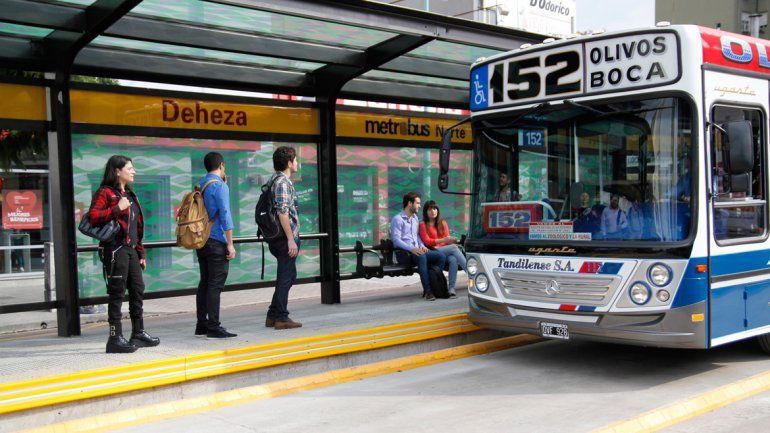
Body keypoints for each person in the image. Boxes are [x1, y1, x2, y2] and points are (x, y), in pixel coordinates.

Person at [88, 155, 159, 353]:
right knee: (117, 292)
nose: (133, 171)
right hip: (115, 249)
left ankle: (138, 332)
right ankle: (114, 337)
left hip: (131, 250)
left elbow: (136, 227)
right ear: (117, 171)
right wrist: (116, 209)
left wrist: (141, 252)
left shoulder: (129, 194)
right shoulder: (106, 193)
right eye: (130, 168)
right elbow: (93, 217)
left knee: (137, 289)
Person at [195, 152, 237, 339]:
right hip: (216, 240)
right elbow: (225, 215)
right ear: (222, 165)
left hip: (202, 240)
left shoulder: (200, 183)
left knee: (205, 282)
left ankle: (201, 325)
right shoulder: (219, 186)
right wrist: (230, 244)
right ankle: (214, 326)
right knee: (215, 285)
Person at [265, 146, 302, 330]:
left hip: (279, 237)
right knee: (286, 276)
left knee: (288, 275)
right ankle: (281, 317)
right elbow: (282, 212)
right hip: (283, 238)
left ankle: (273, 315)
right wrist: (290, 239)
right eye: (295, 160)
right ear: (289, 163)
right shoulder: (282, 183)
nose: (297, 163)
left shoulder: (274, 180)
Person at [391, 192, 446, 301]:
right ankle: (428, 291)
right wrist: (411, 249)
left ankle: (433, 283)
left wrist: (421, 245)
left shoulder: (415, 218)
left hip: (417, 251)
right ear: (410, 203)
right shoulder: (397, 219)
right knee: (422, 257)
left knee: (441, 257)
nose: (420, 206)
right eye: (418, 203)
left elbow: (417, 236)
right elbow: (396, 240)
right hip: (404, 254)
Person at [419, 200, 467, 298]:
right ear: (425, 211)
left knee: (453, 259)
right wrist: (443, 240)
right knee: (454, 248)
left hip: (443, 250)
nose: (433, 211)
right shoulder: (422, 224)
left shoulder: (442, 222)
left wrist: (451, 240)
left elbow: (446, 239)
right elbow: (427, 241)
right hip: (431, 251)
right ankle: (471, 273)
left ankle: (451, 289)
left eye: (434, 208)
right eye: (430, 209)